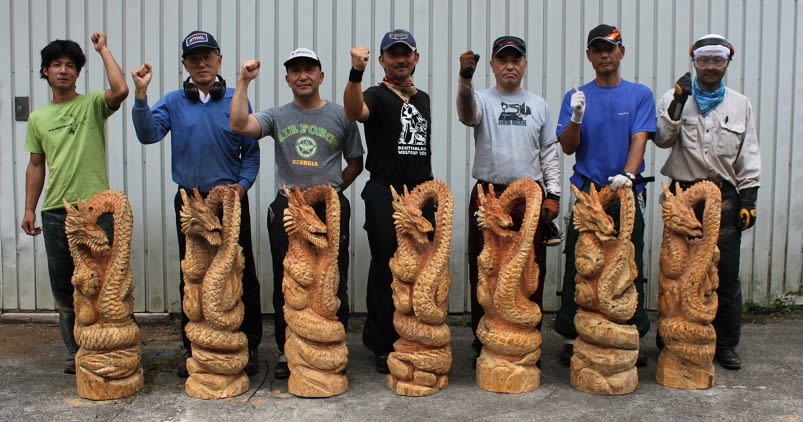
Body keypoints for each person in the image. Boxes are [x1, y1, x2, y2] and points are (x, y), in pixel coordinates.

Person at [131, 30, 262, 377]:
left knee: (239, 271)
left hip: (230, 201)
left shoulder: (237, 98)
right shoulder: (174, 101)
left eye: (208, 56)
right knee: (193, 274)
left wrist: (243, 187)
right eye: (193, 58)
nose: (201, 63)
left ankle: (247, 346)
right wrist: (141, 94)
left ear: (219, 59)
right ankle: (195, 349)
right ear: (185, 65)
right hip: (191, 203)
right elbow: (148, 134)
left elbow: (251, 153)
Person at [230, 47, 364, 379]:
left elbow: (356, 162)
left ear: (321, 76)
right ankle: (286, 350)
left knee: (332, 277)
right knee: (287, 280)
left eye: (309, 69)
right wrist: (243, 81)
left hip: (328, 207)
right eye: (295, 70)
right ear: (288, 79)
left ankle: (332, 345)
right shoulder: (277, 116)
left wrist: (331, 193)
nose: (303, 75)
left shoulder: (341, 115)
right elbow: (238, 123)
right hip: (288, 206)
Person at [21, 33, 129, 374]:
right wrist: (28, 208)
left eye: (70, 65)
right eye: (56, 65)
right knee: (64, 285)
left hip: (97, 209)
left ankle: (107, 342)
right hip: (56, 211)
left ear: (78, 73)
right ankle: (75, 352)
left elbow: (121, 90)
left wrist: (102, 50)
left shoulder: (92, 104)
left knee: (106, 280)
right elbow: (36, 164)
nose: (63, 71)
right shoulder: (38, 118)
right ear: (45, 72)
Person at [654, 34, 760, 370]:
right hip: (684, 194)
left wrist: (749, 198)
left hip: (723, 197)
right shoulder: (676, 96)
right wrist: (677, 104)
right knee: (676, 271)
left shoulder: (739, 104)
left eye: (717, 60)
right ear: (694, 62)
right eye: (704, 60)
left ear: (727, 63)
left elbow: (749, 153)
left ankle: (725, 343)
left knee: (726, 272)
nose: (710, 66)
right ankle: (669, 336)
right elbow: (662, 139)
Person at [553, 24, 655, 367]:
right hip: (587, 190)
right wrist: (576, 118)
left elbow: (640, 137)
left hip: (625, 189)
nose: (604, 55)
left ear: (621, 52)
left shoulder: (639, 94)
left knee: (628, 258)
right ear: (589, 56)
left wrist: (628, 174)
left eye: (610, 49)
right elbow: (568, 147)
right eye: (597, 50)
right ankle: (573, 334)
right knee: (580, 261)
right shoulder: (576, 96)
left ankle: (630, 332)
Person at [456, 36, 561, 362]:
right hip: (488, 195)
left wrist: (553, 194)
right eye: (503, 60)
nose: (510, 65)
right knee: (485, 266)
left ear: (524, 64)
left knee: (530, 268)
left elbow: (549, 152)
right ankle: (483, 334)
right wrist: (464, 79)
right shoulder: (481, 99)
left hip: (528, 197)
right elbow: (466, 114)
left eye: (516, 59)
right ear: (492, 66)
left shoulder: (539, 104)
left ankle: (528, 332)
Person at [343, 29, 434, 373]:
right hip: (385, 193)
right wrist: (355, 72)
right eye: (392, 54)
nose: (400, 59)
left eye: (406, 53)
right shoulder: (375, 94)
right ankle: (381, 342)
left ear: (416, 58)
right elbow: (354, 111)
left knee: (421, 267)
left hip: (421, 194)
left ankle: (415, 331)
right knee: (386, 267)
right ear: (382, 60)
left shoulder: (422, 98)